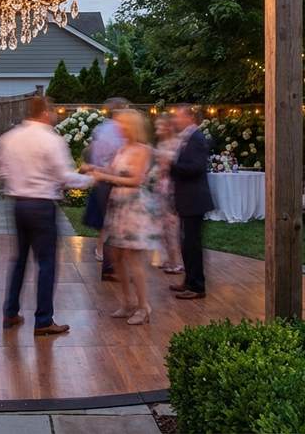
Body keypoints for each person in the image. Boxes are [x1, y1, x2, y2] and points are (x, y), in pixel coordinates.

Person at [0, 96, 92, 336]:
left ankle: (10, 312)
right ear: (45, 113)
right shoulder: (51, 139)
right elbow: (65, 177)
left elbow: (0, 170)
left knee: (19, 260)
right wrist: (91, 179)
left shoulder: (9, 138)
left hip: (19, 204)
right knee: (47, 262)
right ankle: (43, 320)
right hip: (42, 205)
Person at [87, 109, 161, 325]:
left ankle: (143, 305)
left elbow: (137, 180)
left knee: (133, 258)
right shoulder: (122, 149)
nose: (118, 128)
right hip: (117, 206)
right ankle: (127, 301)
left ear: (132, 126)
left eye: (122, 124)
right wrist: (94, 168)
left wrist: (104, 176)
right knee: (116, 256)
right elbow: (111, 171)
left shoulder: (143, 150)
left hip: (134, 207)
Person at [169, 104, 214, 299]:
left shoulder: (197, 138)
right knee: (186, 243)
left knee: (192, 244)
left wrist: (171, 165)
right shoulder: (188, 137)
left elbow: (196, 167)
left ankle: (197, 286)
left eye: (178, 117)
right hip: (187, 198)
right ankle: (188, 280)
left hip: (194, 199)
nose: (175, 120)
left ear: (189, 118)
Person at [83, 98, 128, 280]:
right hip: (112, 180)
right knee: (114, 223)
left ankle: (110, 263)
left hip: (102, 179)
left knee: (109, 223)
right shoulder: (118, 132)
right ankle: (112, 267)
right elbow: (117, 158)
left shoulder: (100, 128)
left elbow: (92, 152)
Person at [153, 115, 183, 274]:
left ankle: (177, 261)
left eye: (160, 127)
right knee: (161, 225)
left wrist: (166, 165)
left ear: (169, 127)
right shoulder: (161, 143)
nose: (157, 130)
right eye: (156, 127)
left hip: (172, 187)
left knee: (172, 226)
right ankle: (166, 258)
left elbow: (176, 166)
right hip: (159, 187)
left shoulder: (178, 144)